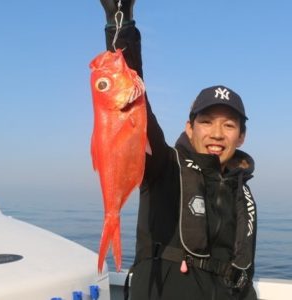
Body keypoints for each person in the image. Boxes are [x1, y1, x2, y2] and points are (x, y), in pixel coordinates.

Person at [99, 1, 258, 299]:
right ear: (189, 128)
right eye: (207, 122)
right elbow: (132, 103)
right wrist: (120, 24)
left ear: (242, 137)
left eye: (229, 126)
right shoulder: (164, 167)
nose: (216, 134)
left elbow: (241, 273)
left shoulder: (240, 190)